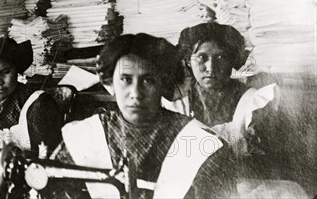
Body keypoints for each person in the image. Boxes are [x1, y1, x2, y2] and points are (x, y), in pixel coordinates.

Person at [46, 34, 236, 199]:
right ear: (110, 83)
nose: (135, 93)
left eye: (148, 80)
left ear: (163, 84)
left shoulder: (201, 146)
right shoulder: (86, 136)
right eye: (125, 80)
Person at [163, 23, 275, 153]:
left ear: (232, 60)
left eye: (221, 57)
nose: (210, 68)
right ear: (188, 60)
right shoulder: (176, 102)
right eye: (201, 57)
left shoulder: (252, 101)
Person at [0, 37, 62, 158]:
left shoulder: (38, 103)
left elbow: (52, 154)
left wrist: (18, 155)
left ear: (17, 70)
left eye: (5, 72)